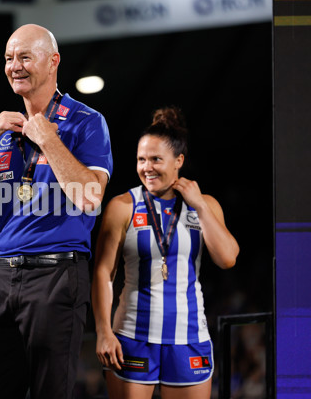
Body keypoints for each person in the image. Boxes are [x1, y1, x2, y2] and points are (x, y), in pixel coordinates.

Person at [0, 24, 113, 398]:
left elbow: (90, 196)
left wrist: (48, 138)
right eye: (9, 58)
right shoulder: (2, 134)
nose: (15, 66)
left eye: (25, 56)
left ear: (53, 61)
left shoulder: (87, 122)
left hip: (56, 276)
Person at [92, 107, 239, 398]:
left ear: (178, 161)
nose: (147, 167)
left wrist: (199, 205)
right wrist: (104, 331)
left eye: (156, 159)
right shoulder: (122, 206)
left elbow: (227, 258)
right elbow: (103, 273)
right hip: (132, 338)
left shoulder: (204, 204)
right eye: (141, 159)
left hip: (189, 338)